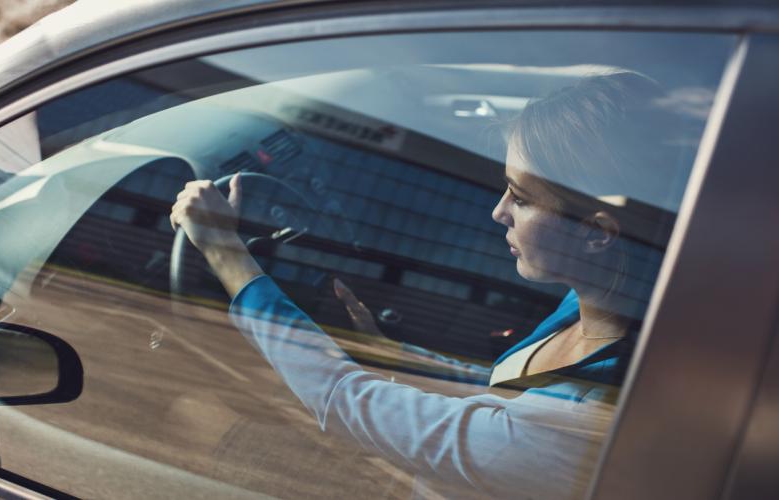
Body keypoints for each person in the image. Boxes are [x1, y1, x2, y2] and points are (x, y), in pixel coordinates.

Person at [170, 72, 680, 498]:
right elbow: (498, 393)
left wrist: (225, 254)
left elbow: (344, 401)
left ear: (598, 233)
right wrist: (389, 352)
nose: (498, 210)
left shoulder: (580, 423)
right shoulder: (593, 304)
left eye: (521, 198)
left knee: (193, 415)